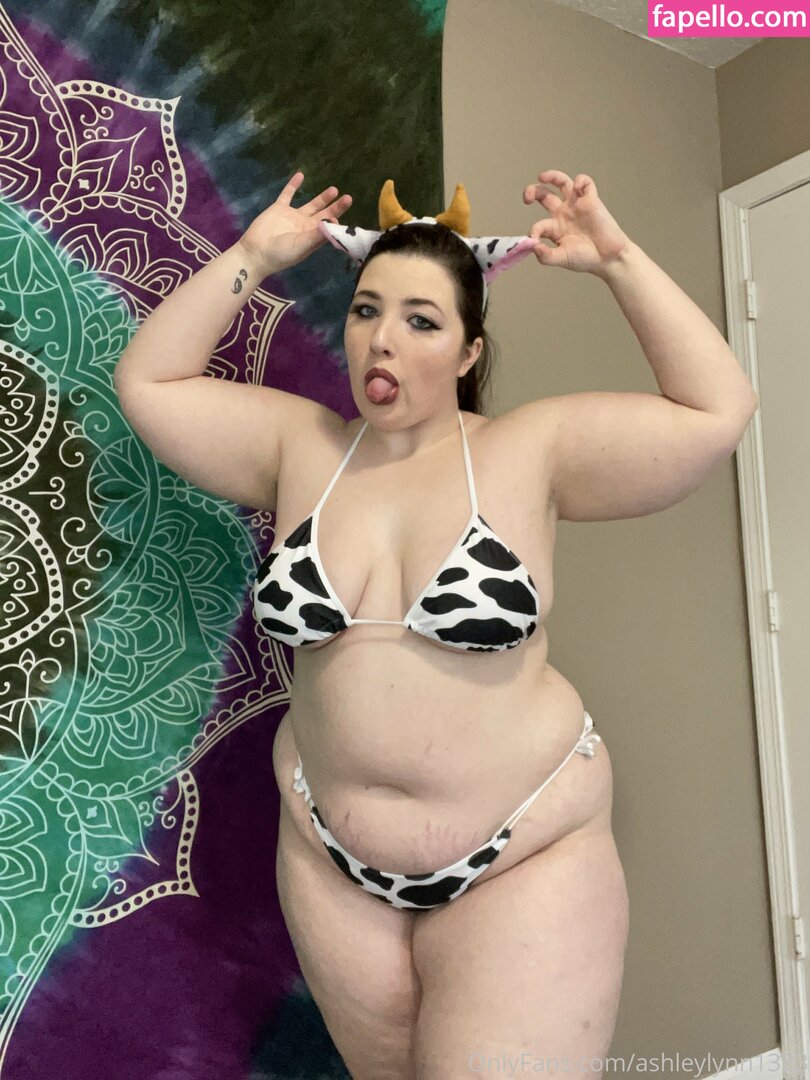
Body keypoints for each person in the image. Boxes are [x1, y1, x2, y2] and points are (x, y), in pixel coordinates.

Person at [114, 169, 758, 1079]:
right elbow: (148, 382)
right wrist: (253, 254)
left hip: (522, 854)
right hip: (332, 864)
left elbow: (716, 410)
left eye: (421, 321)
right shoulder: (301, 446)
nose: (382, 338)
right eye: (366, 310)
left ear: (467, 351)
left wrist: (617, 260)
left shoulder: (530, 449)